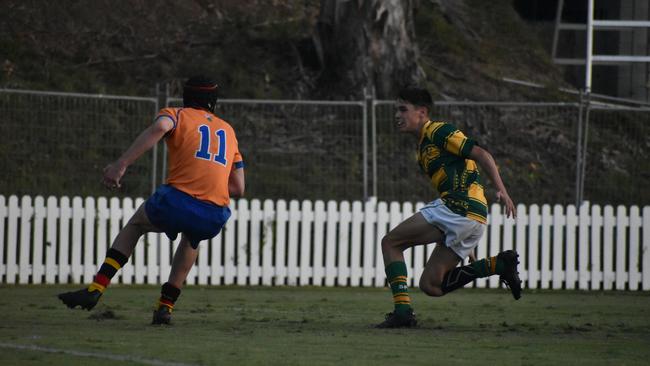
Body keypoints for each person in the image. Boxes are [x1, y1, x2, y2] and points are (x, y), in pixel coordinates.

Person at [58, 75, 245, 325]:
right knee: (192, 239)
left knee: (136, 224)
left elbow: (160, 128)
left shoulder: (176, 114)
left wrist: (121, 164)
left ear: (186, 97)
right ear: (213, 101)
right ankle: (165, 307)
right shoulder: (229, 131)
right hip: (214, 214)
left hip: (177, 202)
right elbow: (238, 187)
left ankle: (96, 288)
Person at [376, 87, 521, 328]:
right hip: (472, 215)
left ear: (422, 112)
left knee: (391, 243)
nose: (397, 115)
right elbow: (465, 173)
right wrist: (469, 234)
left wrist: (502, 190)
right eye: (395, 110)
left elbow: (481, 154)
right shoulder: (422, 149)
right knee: (432, 286)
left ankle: (402, 312)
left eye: (403, 109)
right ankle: (500, 265)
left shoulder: (437, 130)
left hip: (458, 207)